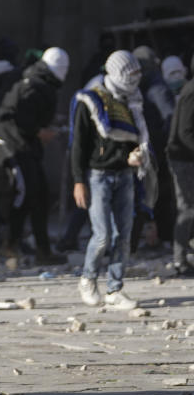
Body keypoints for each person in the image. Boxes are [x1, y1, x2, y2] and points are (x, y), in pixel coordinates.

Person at [71, 50, 150, 310]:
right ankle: (88, 278)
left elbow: (134, 139)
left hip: (125, 177)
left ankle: (115, 288)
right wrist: (78, 181)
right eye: (129, 74)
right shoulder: (90, 100)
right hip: (98, 178)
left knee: (123, 236)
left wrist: (137, 156)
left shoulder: (132, 102)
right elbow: (79, 147)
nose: (134, 79)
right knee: (103, 235)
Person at [0, 47, 69, 266]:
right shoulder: (33, 85)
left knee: (39, 194)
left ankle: (42, 250)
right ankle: (9, 244)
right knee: (24, 192)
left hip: (24, 144)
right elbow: (19, 117)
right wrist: (38, 131)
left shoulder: (38, 83)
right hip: (10, 144)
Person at [132, 46, 176, 252]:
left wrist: (162, 144)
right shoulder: (143, 86)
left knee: (158, 196)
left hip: (157, 151)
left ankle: (162, 238)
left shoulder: (157, 87)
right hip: (147, 150)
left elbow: (169, 118)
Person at [166, 53, 194, 276]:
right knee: (187, 209)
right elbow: (185, 132)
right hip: (183, 159)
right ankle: (179, 260)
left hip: (185, 157)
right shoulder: (192, 92)